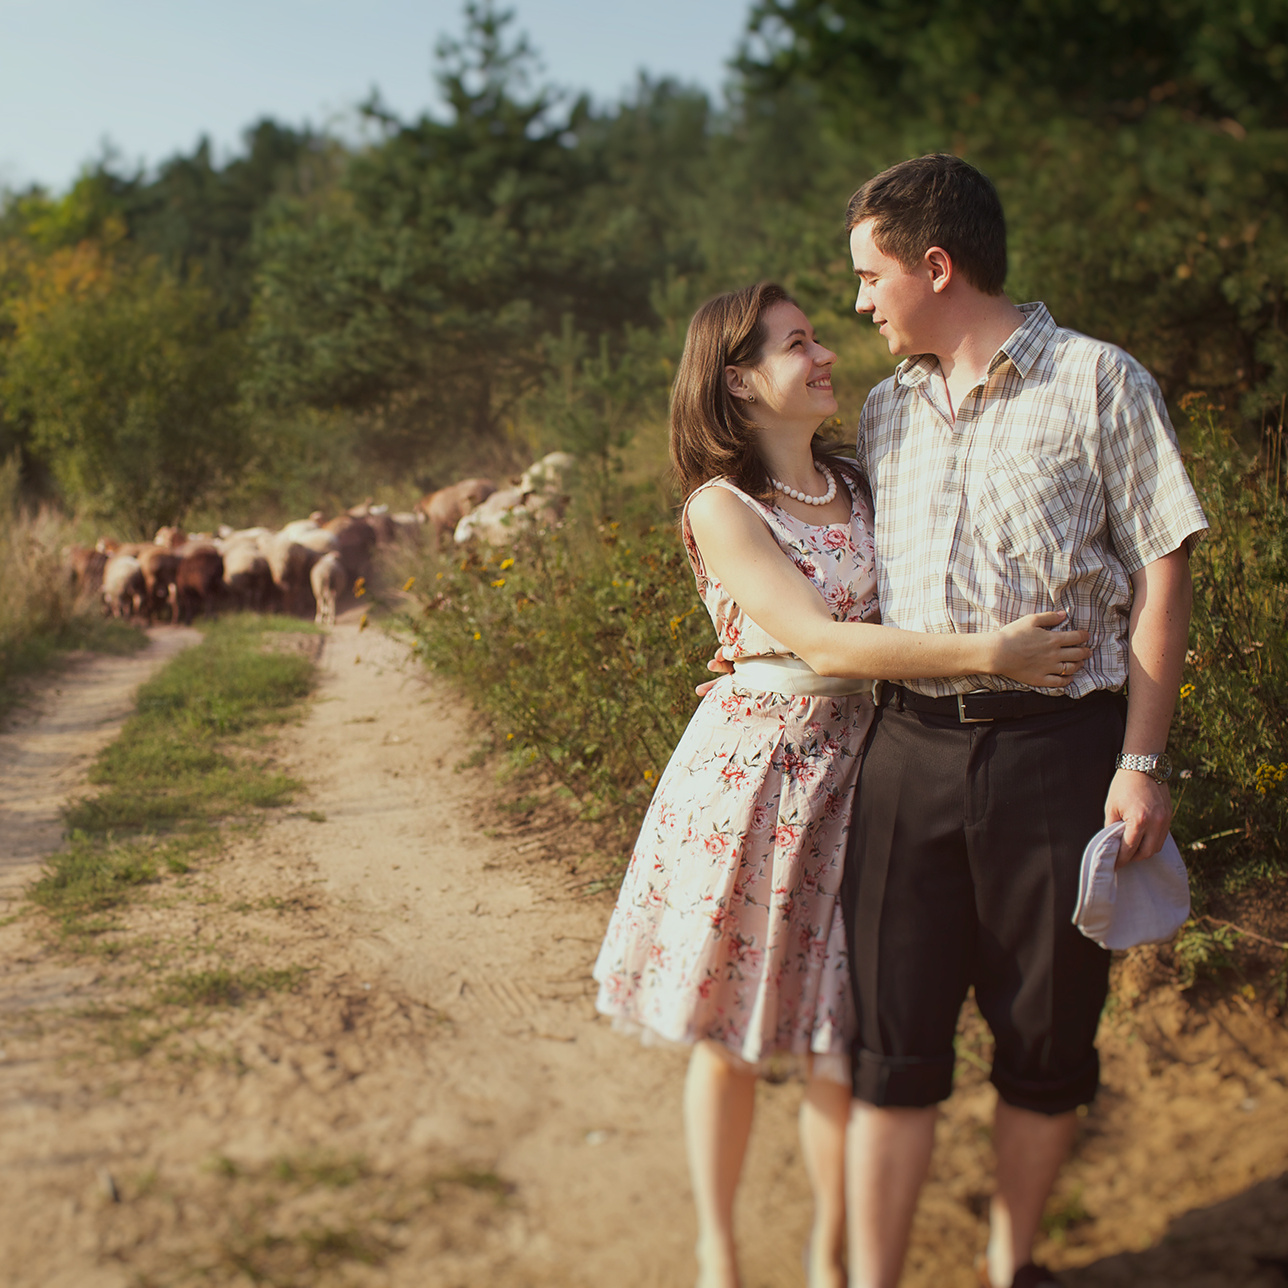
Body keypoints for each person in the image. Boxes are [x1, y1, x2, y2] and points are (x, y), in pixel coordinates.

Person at [591, 281, 1092, 1288]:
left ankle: (831, 1264)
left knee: (835, 1034)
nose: (823, 354)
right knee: (732, 1032)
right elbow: (817, 636)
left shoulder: (862, 483)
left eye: (818, 336)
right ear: (737, 382)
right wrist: (983, 650)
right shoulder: (720, 507)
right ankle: (718, 1256)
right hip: (759, 781)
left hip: (869, 768)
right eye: (795, 344)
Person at [839, 154, 1209, 1288]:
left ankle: (1011, 1268)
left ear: (934, 266)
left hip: (1059, 756)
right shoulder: (880, 408)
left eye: (869, 274)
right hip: (902, 755)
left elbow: (1162, 573)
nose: (860, 301)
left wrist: (1140, 759)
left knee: (1046, 1042)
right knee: (887, 1049)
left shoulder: (1100, 382)